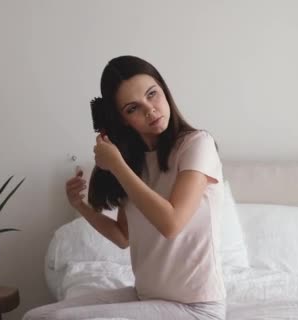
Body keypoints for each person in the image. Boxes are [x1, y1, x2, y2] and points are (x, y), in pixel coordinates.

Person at [24, 55, 226, 320]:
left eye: (152, 94)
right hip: (147, 297)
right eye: (133, 108)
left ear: (164, 89)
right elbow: (122, 236)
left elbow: (172, 223)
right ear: (122, 120)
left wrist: (118, 166)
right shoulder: (135, 163)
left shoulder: (197, 144)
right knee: (35, 317)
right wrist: (80, 206)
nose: (150, 110)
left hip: (197, 308)